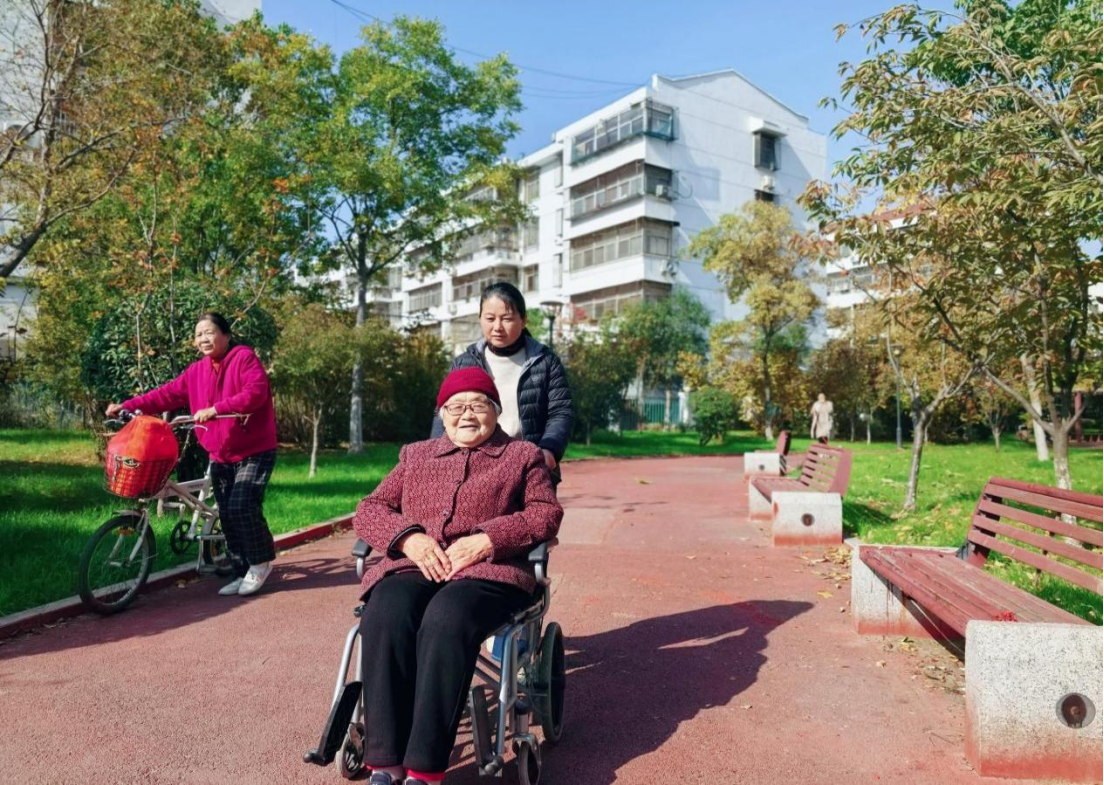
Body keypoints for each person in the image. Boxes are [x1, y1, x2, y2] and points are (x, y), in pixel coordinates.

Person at [353, 367, 563, 785]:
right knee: (386, 611)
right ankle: (384, 761)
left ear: (496, 411)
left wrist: (488, 539)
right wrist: (408, 539)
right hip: (418, 563)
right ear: (442, 415)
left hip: (489, 571)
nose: (467, 414)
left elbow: (545, 513)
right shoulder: (415, 456)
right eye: (455, 407)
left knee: (446, 619)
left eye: (478, 405)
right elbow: (369, 508)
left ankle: (424, 768)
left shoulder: (522, 456)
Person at [105, 312, 278, 597]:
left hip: (254, 449)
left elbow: (256, 392)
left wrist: (217, 409)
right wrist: (127, 405)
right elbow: (166, 395)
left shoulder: (244, 358)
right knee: (227, 514)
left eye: (209, 332)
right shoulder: (196, 371)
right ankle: (240, 571)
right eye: (199, 335)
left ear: (226, 335)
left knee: (242, 505)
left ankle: (260, 563)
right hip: (219, 452)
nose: (203, 339)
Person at [431, 282, 573, 484]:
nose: (497, 327)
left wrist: (549, 451)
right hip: (475, 468)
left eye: (507, 319)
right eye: (490, 318)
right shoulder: (465, 362)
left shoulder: (545, 361)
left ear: (523, 320)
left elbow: (561, 412)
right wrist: (436, 456)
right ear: (480, 318)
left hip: (529, 467)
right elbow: (443, 412)